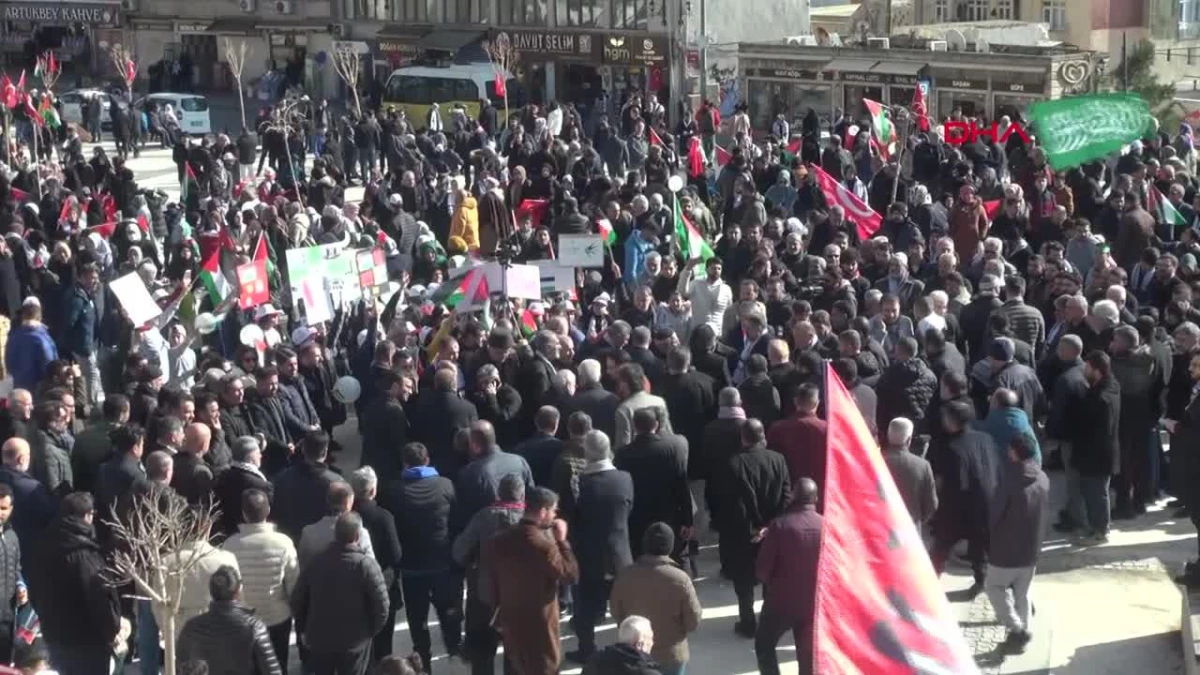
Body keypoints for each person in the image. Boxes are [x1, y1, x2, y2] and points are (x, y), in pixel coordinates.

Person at [711, 419, 792, 637]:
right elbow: (786, 497)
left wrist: (753, 529)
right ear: (762, 435)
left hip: (743, 535)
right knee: (771, 581)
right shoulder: (778, 460)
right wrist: (770, 526)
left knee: (744, 583)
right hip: (773, 533)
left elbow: (733, 504)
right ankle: (768, 622)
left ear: (743, 438)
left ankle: (747, 624)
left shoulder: (733, 464)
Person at [385, 442, 462, 668]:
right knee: (448, 612)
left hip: (411, 568)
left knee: (417, 620)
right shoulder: (446, 485)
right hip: (443, 564)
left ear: (405, 463)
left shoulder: (394, 491)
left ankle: (422, 662)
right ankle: (454, 651)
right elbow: (457, 522)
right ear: (427, 460)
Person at [26, 492, 121, 675]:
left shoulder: (43, 546)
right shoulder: (85, 555)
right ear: (87, 515)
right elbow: (100, 597)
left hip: (55, 636)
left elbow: (35, 591)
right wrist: (112, 629)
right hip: (87, 643)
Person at [487, 487, 579, 675]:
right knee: (544, 666)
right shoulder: (541, 544)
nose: (555, 515)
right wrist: (562, 541)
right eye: (553, 510)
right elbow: (570, 575)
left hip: (511, 617)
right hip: (540, 624)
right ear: (543, 511)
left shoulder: (500, 540)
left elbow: (492, 580)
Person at [291, 512, 389, 675]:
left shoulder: (315, 562)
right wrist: (369, 632)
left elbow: (298, 600)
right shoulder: (366, 565)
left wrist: (303, 631)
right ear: (358, 536)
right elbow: (382, 606)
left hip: (319, 641)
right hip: (355, 643)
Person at [569, 430, 635, 663]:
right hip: (620, 554)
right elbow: (629, 511)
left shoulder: (580, 484)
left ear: (587, 454)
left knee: (585, 608)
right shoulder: (625, 479)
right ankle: (630, 649)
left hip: (588, 557)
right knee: (625, 609)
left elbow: (574, 520)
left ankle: (587, 649)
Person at [221, 488, 299, 673]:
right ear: (268, 510)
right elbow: (293, 583)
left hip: (243, 621)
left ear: (243, 513)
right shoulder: (284, 543)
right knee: (278, 666)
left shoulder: (230, 545)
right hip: (277, 618)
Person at [928, 399, 1001, 597]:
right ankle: (981, 581)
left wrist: (938, 511)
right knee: (980, 547)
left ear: (952, 421)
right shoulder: (985, 439)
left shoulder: (950, 448)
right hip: (986, 501)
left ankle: (927, 584)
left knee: (940, 548)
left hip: (959, 507)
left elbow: (949, 484)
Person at [984, 435, 1050, 654]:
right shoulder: (1042, 478)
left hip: (1006, 549)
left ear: (1014, 453)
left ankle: (1018, 630)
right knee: (1023, 592)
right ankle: (1020, 638)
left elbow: (995, 515)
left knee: (994, 587)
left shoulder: (1010, 482)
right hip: (1031, 548)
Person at [609, 522, 701, 675]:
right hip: (672, 655)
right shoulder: (680, 579)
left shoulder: (625, 575)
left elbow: (616, 612)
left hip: (635, 656)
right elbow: (693, 621)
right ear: (670, 546)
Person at [754, 477, 823, 675]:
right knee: (807, 654)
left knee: (764, 643)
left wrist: (773, 585)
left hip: (780, 600)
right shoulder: (826, 525)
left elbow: (762, 569)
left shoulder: (779, 525)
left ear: (792, 496)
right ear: (816, 498)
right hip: (813, 602)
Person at [177, 565, 283, 675]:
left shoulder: (191, 628)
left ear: (211, 591)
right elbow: (272, 672)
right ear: (238, 589)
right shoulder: (254, 627)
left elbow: (180, 668)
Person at [614, 408, 691, 559]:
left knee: (641, 559)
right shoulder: (672, 449)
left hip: (637, 517)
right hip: (668, 514)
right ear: (656, 425)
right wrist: (687, 520)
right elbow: (681, 484)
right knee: (673, 558)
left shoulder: (623, 454)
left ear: (634, 426)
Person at [349, 466, 404, 663]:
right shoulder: (384, 516)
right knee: (383, 643)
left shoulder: (346, 518)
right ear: (373, 490)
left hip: (354, 588)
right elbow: (396, 554)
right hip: (383, 585)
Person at [1068, 350, 1122, 544]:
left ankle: (1101, 531)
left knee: (1097, 494)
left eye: (1088, 367)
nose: (1084, 370)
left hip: (1097, 455)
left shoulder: (1101, 399)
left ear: (1097, 370)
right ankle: (1096, 527)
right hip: (1097, 454)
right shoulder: (1110, 386)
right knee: (1094, 493)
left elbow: (1096, 426)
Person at [272, 430, 341, 542]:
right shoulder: (336, 483)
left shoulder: (281, 478)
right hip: (321, 544)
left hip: (290, 540)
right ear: (325, 451)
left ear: (303, 449)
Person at [765, 383, 828, 490]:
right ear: (817, 403)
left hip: (788, 491)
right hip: (820, 492)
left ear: (795, 401)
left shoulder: (777, 429)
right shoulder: (827, 430)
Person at [298, 480, 375, 567]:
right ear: (348, 503)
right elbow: (371, 565)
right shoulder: (359, 533)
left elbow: (302, 566)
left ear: (327, 501)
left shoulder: (308, 533)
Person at [881, 417, 938, 529]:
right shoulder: (922, 465)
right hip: (909, 531)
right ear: (909, 440)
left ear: (888, 436)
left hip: (880, 528)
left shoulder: (875, 460)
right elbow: (932, 504)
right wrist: (918, 520)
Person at [213, 435, 274, 536]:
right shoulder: (261, 485)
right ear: (250, 456)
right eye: (258, 453)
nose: (261, 456)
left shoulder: (222, 477)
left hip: (227, 534)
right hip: (254, 534)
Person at [582, 616, 662, 675]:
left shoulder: (594, 661)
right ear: (639, 644)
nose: (652, 643)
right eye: (650, 639)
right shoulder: (649, 673)